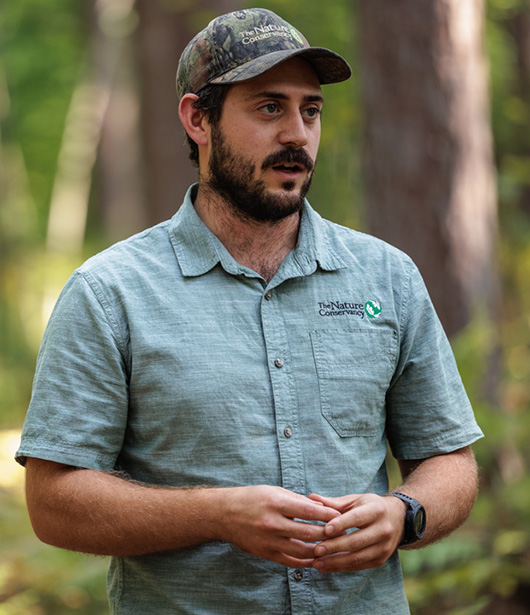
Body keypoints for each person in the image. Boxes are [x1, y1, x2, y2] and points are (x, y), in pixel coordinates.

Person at [17, 8, 483, 615]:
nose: (297, 134)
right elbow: (53, 502)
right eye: (269, 108)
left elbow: (449, 460)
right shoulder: (111, 292)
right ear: (198, 119)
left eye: (309, 110)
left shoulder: (387, 277)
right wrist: (217, 514)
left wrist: (404, 513)